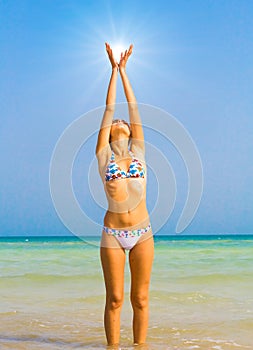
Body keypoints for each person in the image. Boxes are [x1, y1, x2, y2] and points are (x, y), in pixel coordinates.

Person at [96, 42, 154, 347]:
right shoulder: (103, 156)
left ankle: (140, 347)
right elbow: (109, 109)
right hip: (112, 233)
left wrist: (125, 71)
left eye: (123, 122)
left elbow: (133, 108)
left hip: (143, 232)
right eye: (114, 123)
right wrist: (112, 71)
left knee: (141, 299)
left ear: (130, 131)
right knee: (116, 299)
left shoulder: (140, 152)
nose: (119, 119)